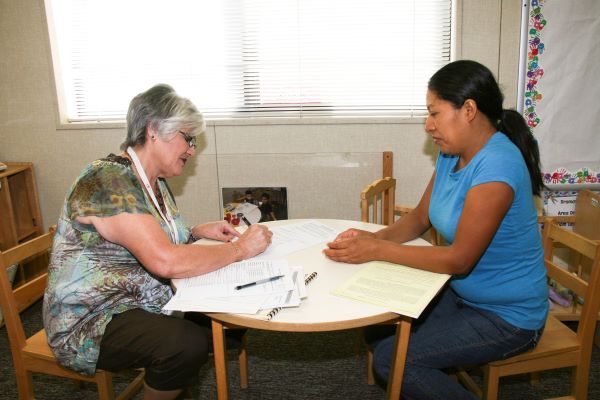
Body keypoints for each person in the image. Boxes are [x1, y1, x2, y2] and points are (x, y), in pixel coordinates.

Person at [324, 60, 548, 399]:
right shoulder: (451, 153)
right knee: (380, 327)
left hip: (509, 316)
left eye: (435, 113)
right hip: (463, 295)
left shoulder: (498, 166)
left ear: (469, 110)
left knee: (393, 360)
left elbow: (459, 261)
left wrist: (377, 250)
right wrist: (372, 238)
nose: (428, 126)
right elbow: (419, 218)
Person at [43, 84, 272, 400]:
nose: (192, 149)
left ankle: (173, 380)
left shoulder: (153, 183)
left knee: (235, 314)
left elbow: (152, 238)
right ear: (153, 130)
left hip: (141, 301)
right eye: (187, 139)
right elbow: (163, 261)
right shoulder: (106, 180)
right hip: (92, 317)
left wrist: (195, 233)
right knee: (186, 344)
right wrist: (239, 249)